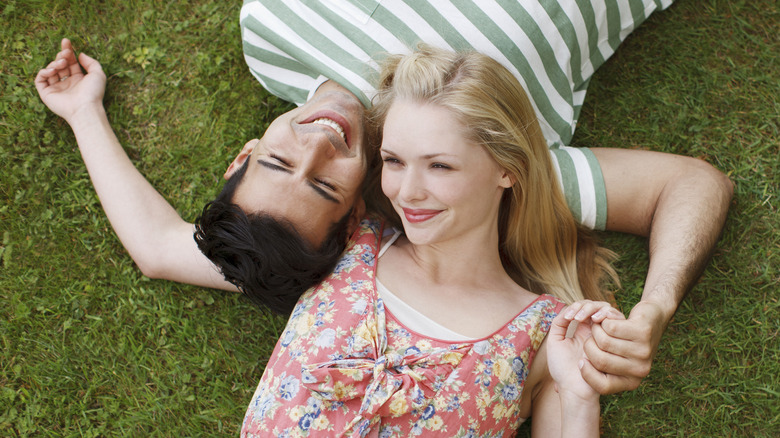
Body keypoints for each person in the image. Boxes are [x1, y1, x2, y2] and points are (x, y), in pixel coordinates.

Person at [34, 0, 733, 395]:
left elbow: (162, 247)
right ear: (360, 214)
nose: (317, 142)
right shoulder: (476, 157)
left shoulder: (267, 34)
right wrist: (655, 307)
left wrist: (83, 110)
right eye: (324, 182)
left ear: (243, 154)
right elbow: (692, 185)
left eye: (277, 160)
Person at [241, 44, 622, 437]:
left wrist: (579, 399)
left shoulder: (545, 334)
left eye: (439, 165)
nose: (407, 192)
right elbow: (201, 253)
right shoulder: (350, 241)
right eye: (394, 161)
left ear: (508, 169)